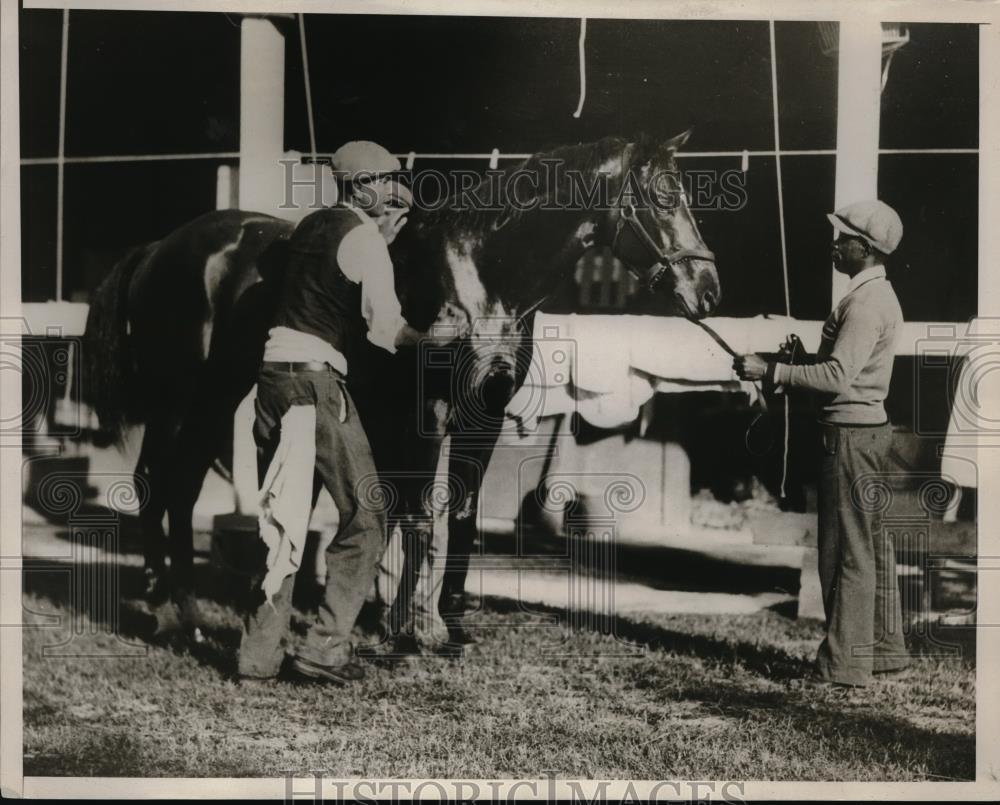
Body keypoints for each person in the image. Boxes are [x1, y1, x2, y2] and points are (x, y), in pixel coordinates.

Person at [238, 140, 425, 685]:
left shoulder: (307, 226)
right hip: (317, 387)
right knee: (367, 518)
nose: (395, 193)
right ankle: (324, 649)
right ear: (363, 184)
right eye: (389, 181)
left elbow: (323, 286)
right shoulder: (365, 238)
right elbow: (385, 331)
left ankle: (256, 660)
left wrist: (377, 240)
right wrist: (439, 338)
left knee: (281, 518)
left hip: (272, 382)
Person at [734, 199, 910, 687]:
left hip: (849, 440)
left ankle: (843, 666)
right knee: (871, 547)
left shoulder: (865, 303)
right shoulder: (876, 297)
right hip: (868, 433)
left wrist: (771, 370)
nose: (834, 244)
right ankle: (883, 653)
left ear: (865, 248)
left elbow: (836, 377)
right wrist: (798, 361)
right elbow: (843, 369)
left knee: (843, 554)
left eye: (842, 238)